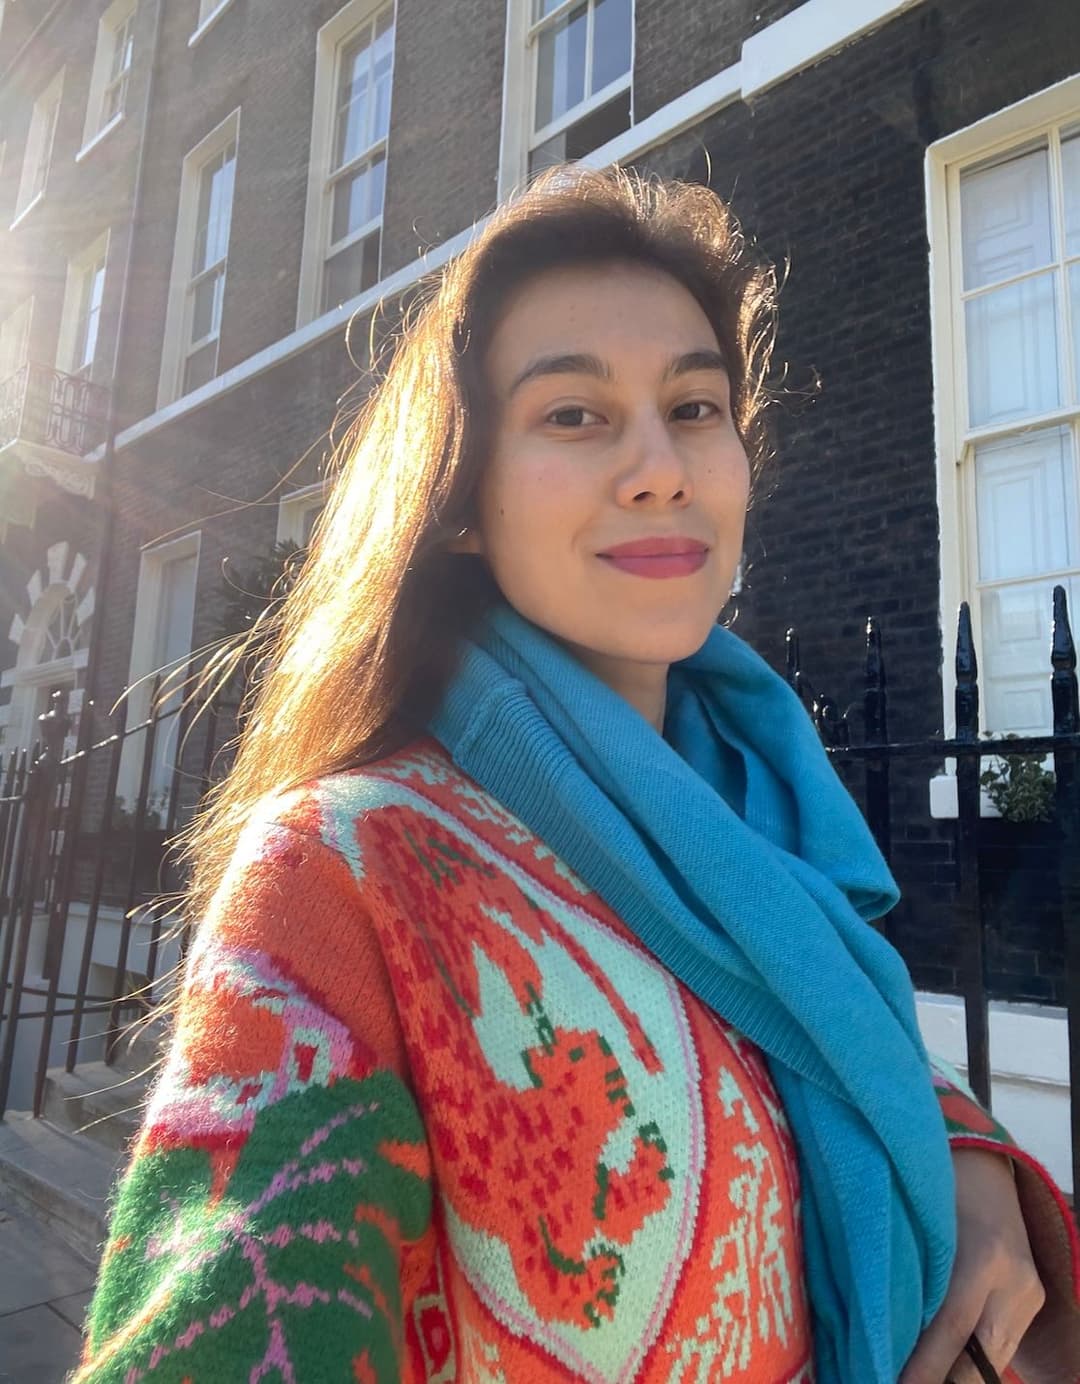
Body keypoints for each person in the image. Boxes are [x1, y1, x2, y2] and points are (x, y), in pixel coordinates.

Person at [73, 168, 1080, 1384]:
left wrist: (971, 1160)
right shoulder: (346, 868)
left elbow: (838, 1047)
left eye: (695, 407)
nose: (660, 466)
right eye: (574, 415)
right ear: (460, 503)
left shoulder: (761, 821)